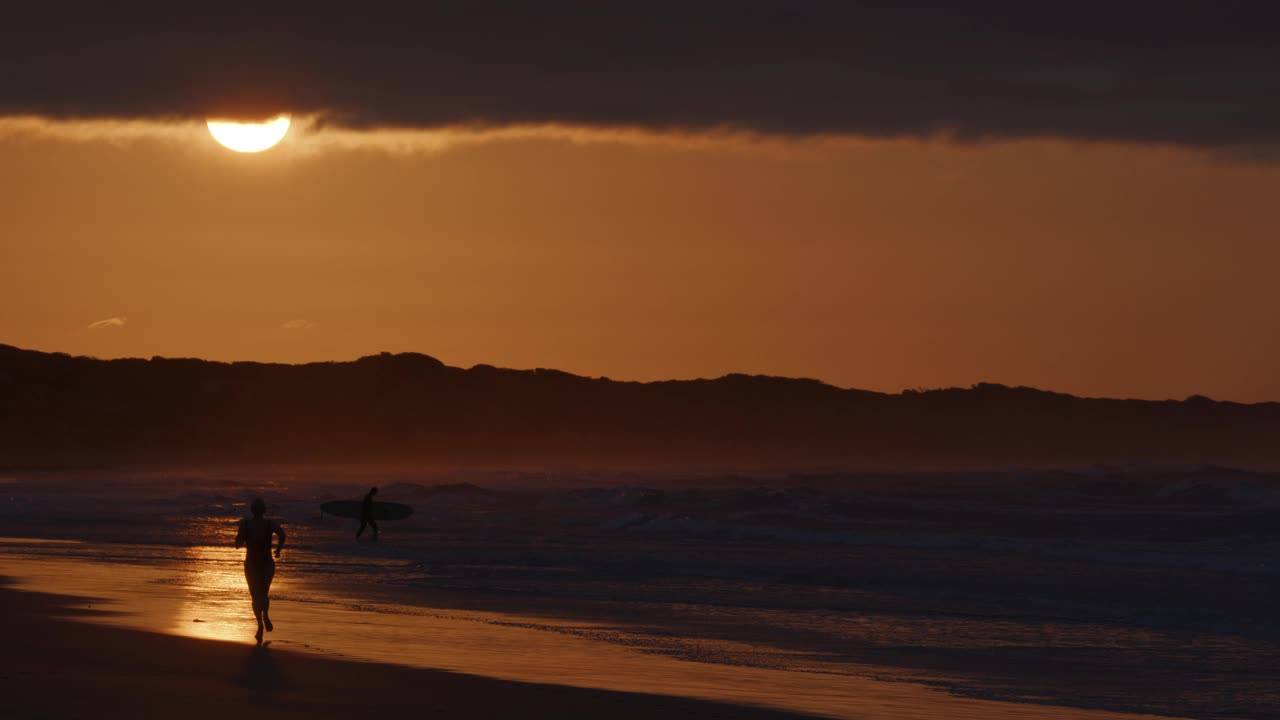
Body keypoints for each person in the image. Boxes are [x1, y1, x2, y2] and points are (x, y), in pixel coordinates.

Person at [234, 497, 286, 642]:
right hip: (267, 563)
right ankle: (266, 615)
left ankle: (260, 625)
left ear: (252, 510)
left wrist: (242, 538)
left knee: (255, 596)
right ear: (264, 510)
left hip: (251, 564)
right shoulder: (270, 524)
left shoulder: (245, 524)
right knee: (264, 594)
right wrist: (278, 550)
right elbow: (282, 535)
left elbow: (237, 544)